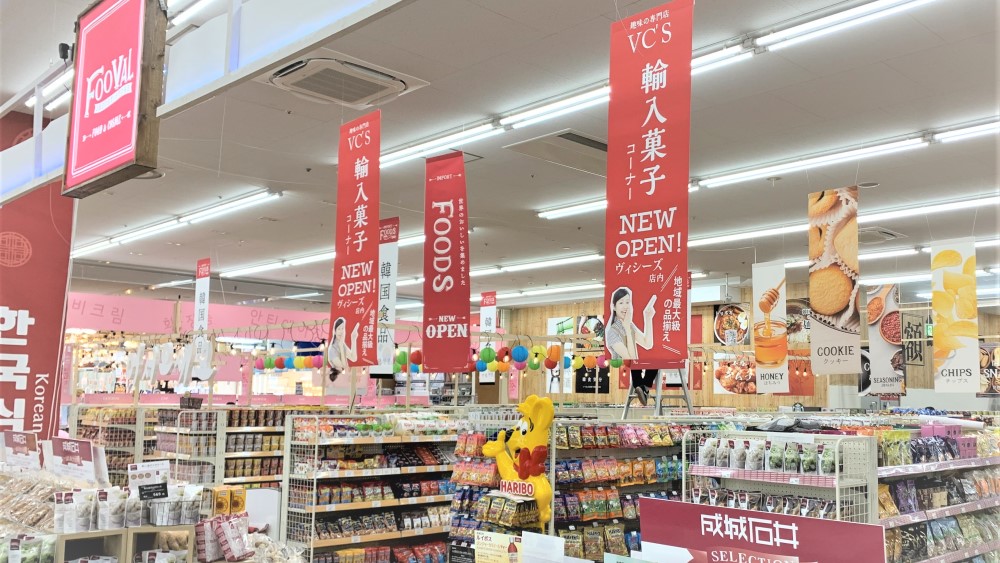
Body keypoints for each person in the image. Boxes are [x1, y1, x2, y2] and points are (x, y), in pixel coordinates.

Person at [605, 287, 656, 361]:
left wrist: (648, 318)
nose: (625, 306)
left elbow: (647, 344)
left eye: (627, 302)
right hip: (620, 371)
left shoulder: (629, 325)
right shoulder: (612, 332)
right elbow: (630, 360)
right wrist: (627, 330)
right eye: (621, 303)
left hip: (634, 371)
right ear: (614, 307)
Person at [327, 317, 358, 382]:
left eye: (342, 328)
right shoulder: (332, 349)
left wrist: (353, 338)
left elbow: (353, 358)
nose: (341, 331)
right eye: (339, 329)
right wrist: (341, 347)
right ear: (335, 331)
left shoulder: (340, 343)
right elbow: (344, 365)